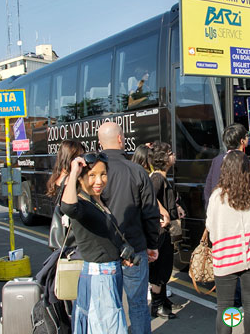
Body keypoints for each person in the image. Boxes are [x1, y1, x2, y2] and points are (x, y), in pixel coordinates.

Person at [98, 122, 160, 334]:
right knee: (138, 304)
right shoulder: (137, 171)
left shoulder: (94, 174)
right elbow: (151, 213)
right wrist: (152, 244)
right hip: (135, 248)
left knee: (109, 306)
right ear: (120, 139)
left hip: (104, 252)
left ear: (99, 143)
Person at [60, 152, 128, 333]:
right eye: (91, 175)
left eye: (103, 174)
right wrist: (74, 170)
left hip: (109, 274)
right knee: (107, 326)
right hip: (100, 278)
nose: (99, 181)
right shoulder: (81, 204)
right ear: (81, 179)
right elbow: (67, 207)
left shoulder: (96, 201)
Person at [206, 150, 250, 334]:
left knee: (225, 306)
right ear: (247, 169)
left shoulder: (217, 196)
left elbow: (209, 226)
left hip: (225, 258)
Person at [148, 141, 185, 319]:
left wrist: (175, 207)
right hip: (160, 233)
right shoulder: (156, 178)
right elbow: (149, 197)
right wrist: (163, 211)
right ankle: (156, 306)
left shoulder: (162, 177)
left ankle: (163, 301)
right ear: (163, 158)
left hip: (164, 233)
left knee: (164, 267)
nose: (173, 155)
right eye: (170, 152)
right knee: (159, 270)